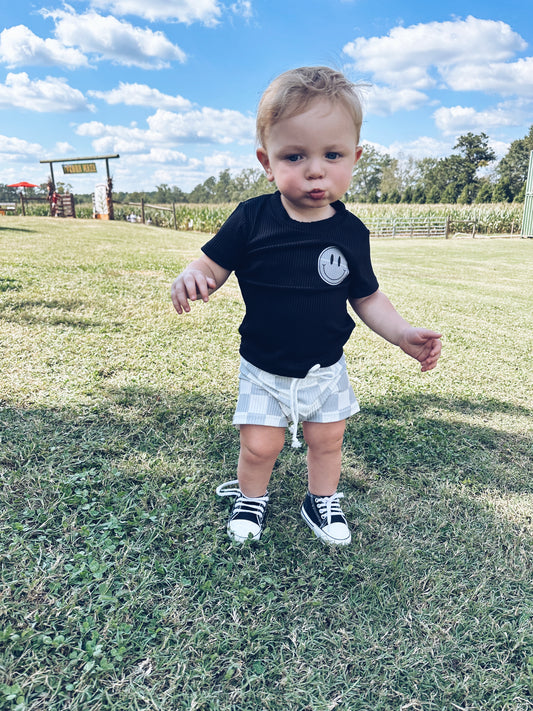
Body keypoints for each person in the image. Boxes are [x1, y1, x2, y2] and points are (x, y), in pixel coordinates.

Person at [171, 66, 442, 546]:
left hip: (326, 368)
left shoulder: (351, 232)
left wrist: (402, 334)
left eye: (332, 154)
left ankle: (320, 500)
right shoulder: (253, 218)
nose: (315, 169)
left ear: (355, 158)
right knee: (260, 445)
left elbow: (366, 295)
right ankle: (252, 496)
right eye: (295, 156)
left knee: (328, 440)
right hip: (263, 365)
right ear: (267, 161)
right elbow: (213, 265)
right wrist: (196, 277)